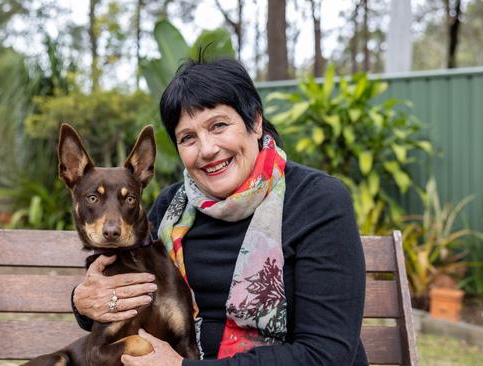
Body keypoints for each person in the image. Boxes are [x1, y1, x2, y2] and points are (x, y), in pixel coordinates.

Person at [71, 57, 367, 366]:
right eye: (188, 138)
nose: (207, 149)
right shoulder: (171, 209)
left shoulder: (316, 201)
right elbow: (121, 292)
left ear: (255, 122)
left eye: (219, 125)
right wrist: (82, 302)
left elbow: (326, 355)